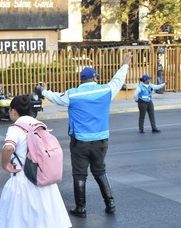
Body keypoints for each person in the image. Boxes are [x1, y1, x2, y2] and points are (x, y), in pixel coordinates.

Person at [39, 52, 133, 218]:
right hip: (101, 141)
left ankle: (81, 208)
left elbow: (54, 97)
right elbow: (118, 79)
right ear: (95, 78)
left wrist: (44, 91)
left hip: (80, 142)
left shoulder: (72, 94)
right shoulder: (106, 90)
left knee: (79, 174)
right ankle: (110, 203)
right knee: (100, 171)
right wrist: (125, 63)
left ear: (81, 79)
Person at [0, 94, 72, 228]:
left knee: (14, 212)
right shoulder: (40, 126)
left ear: (13, 111)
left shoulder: (16, 128)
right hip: (43, 179)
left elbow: (8, 148)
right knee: (44, 219)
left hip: (23, 179)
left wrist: (4, 164)